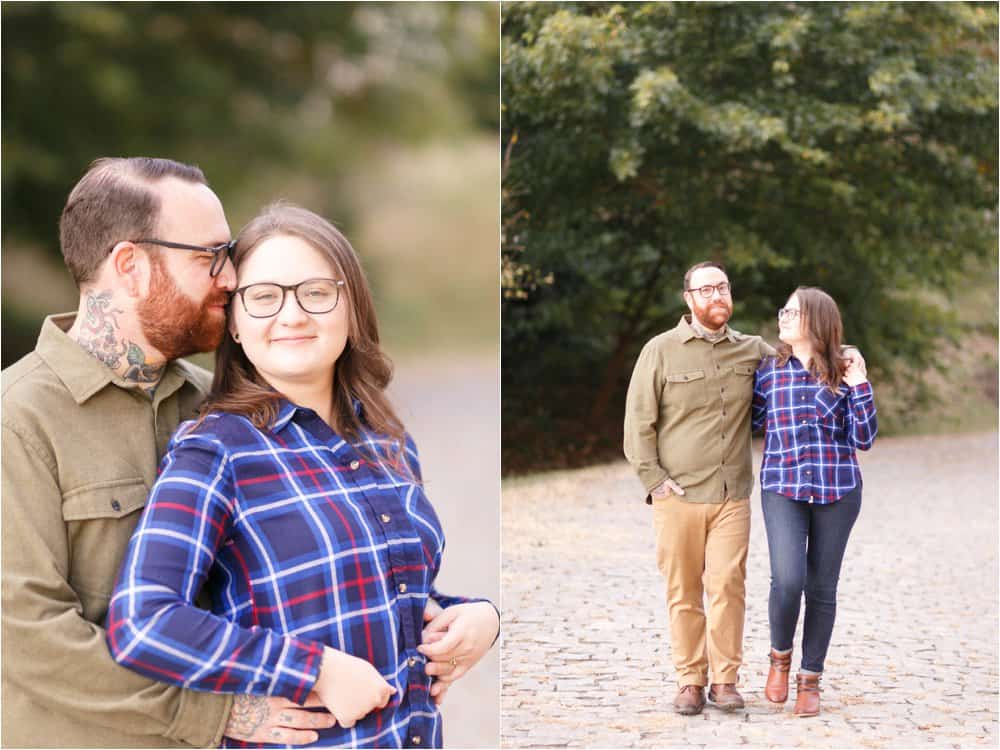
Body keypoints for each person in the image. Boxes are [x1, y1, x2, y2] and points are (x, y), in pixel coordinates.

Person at [106, 203, 500, 748]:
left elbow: (394, 590)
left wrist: (479, 619)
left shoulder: (386, 441)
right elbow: (143, 622)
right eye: (264, 297)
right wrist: (311, 669)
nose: (291, 315)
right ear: (236, 325)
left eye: (315, 292)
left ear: (351, 307)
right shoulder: (217, 450)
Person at [2, 157, 331, 747]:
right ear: (130, 266)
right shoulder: (18, 420)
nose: (230, 278)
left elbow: (310, 563)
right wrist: (213, 716)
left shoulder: (222, 407)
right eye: (209, 256)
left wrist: (460, 616)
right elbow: (24, 633)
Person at [623, 262, 864, 717]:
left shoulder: (756, 352)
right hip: (677, 495)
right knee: (683, 590)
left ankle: (724, 680)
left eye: (723, 287)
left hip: (732, 494)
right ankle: (689, 680)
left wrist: (847, 355)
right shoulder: (659, 351)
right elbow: (637, 424)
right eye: (706, 288)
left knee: (728, 586)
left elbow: (815, 350)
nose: (717, 294)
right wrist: (655, 482)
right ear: (688, 297)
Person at [753, 287, 876, 717]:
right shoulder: (768, 372)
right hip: (782, 487)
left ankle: (810, 678)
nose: (782, 316)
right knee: (787, 580)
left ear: (816, 321)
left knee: (822, 588)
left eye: (792, 311)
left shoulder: (845, 372)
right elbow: (747, 422)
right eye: (782, 308)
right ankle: (779, 658)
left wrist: (860, 385)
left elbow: (864, 438)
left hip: (837, 491)